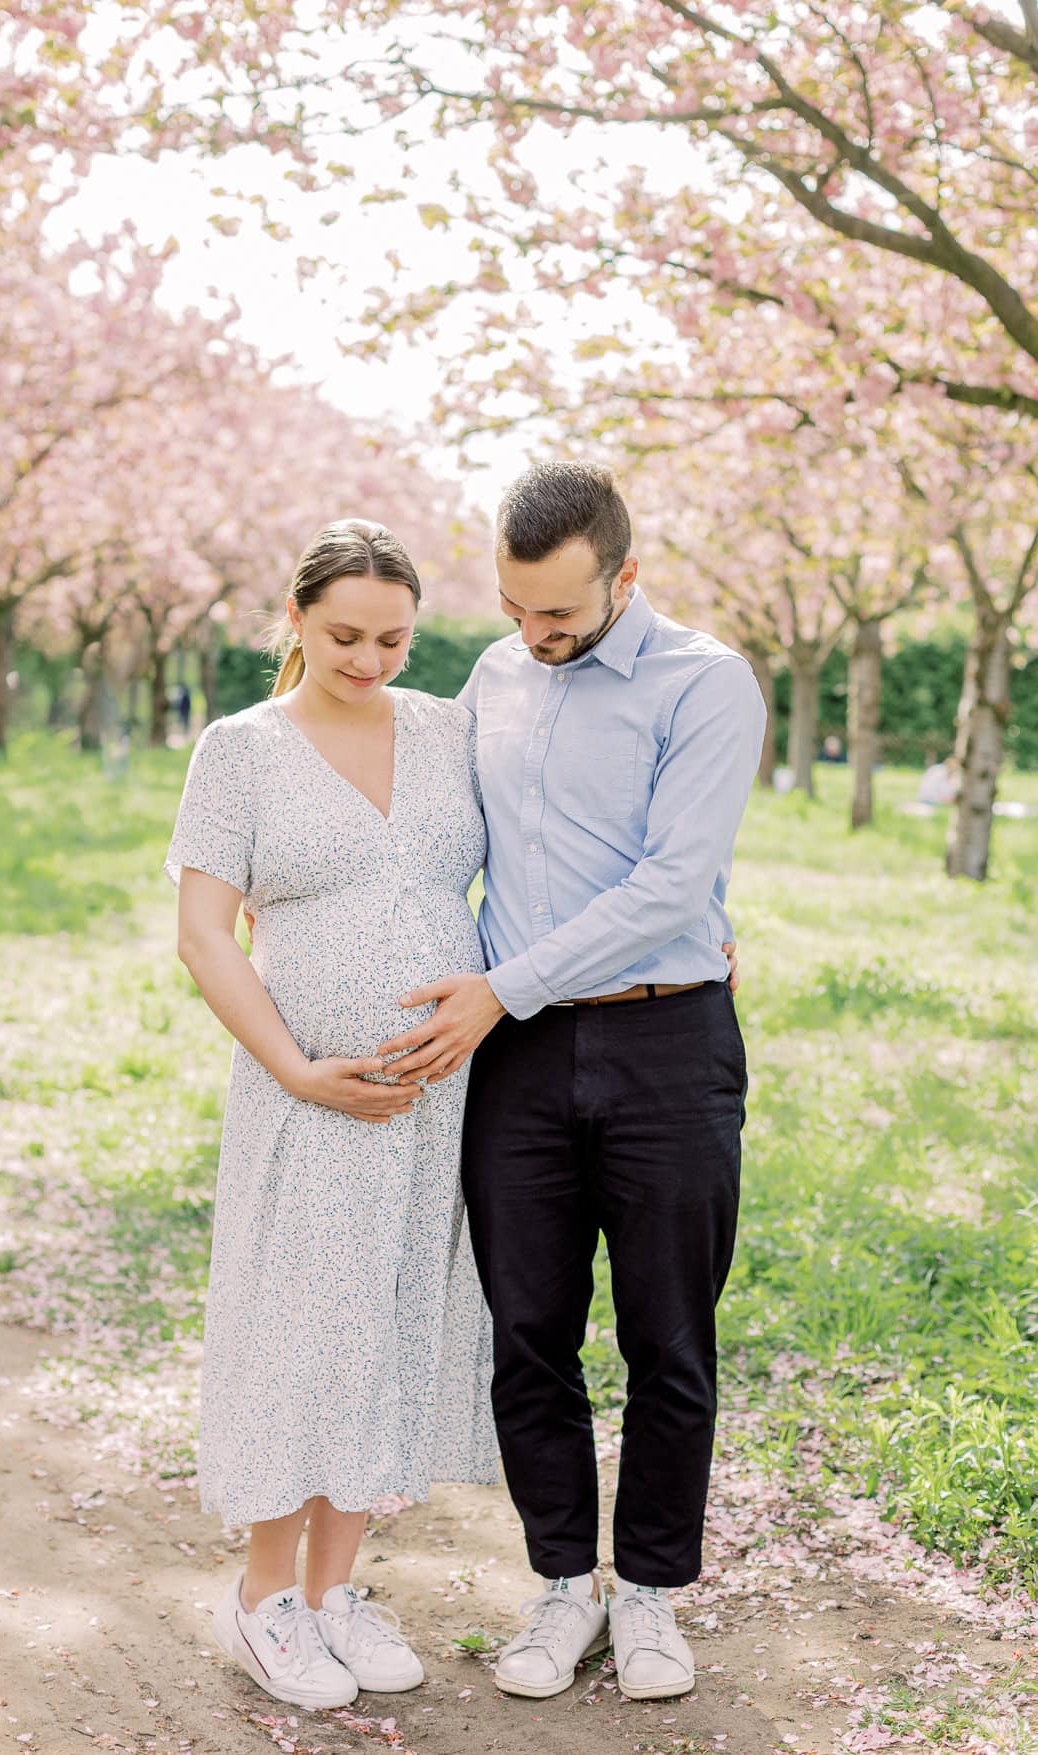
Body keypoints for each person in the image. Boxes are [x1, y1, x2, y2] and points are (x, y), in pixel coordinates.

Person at [375, 463, 766, 1705]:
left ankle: (647, 1595)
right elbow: (442, 836)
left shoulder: (707, 684)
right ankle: (561, 1587)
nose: (533, 637)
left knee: (668, 1333)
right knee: (528, 1332)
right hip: (522, 1058)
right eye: (513, 609)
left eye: (559, 615)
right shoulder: (496, 676)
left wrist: (504, 983)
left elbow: (668, 881)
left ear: (625, 578)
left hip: (667, 1041)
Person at [164, 520, 498, 1711]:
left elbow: (545, 856)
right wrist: (300, 1068)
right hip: (306, 1095)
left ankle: (336, 1589)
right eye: (344, 635)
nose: (369, 659)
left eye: (395, 637)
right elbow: (206, 935)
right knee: (302, 1330)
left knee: (391, 1326)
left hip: (440, 1095)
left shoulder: (452, 729)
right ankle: (263, 1599)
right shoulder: (241, 750)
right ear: (296, 621)